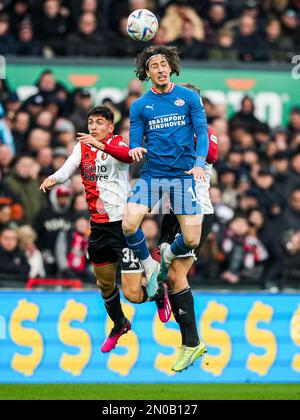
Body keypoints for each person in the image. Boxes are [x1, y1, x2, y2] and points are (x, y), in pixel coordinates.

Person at [40, 106, 170, 354]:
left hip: (123, 227)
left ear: (110, 127)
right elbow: (67, 170)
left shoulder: (118, 143)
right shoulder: (82, 147)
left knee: (132, 294)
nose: (93, 127)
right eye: (91, 122)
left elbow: (127, 157)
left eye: (99, 122)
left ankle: (158, 294)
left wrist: (99, 144)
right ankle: (120, 323)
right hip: (98, 228)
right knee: (105, 285)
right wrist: (53, 179)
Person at [122, 46, 209, 369]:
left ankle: (167, 255)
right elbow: (134, 137)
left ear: (171, 68)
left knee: (192, 241)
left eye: (162, 63)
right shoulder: (140, 105)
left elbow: (201, 131)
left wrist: (199, 162)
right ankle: (148, 265)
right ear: (145, 74)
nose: (158, 69)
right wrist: (134, 149)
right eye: (152, 66)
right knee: (129, 223)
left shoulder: (188, 97)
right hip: (153, 176)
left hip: (183, 177)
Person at [159, 92, 218, 372]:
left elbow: (212, 152)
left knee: (174, 272)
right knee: (170, 275)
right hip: (173, 210)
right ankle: (190, 342)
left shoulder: (203, 132)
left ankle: (192, 342)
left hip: (198, 211)